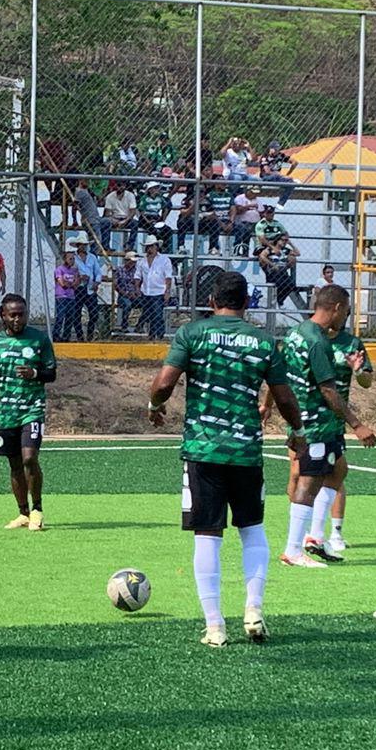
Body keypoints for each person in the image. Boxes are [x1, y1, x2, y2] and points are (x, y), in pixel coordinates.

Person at [148, 270, 304, 646]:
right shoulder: (264, 341)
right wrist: (297, 431)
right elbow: (283, 397)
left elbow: (165, 383)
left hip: (204, 450)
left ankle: (215, 625)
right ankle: (253, 608)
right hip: (246, 451)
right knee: (252, 530)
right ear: (246, 302)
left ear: (212, 301)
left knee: (207, 533)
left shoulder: (192, 333)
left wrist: (154, 405)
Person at [275, 285, 376, 569]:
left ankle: (314, 539)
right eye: (345, 310)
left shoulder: (296, 333)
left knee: (338, 469)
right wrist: (357, 425)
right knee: (306, 481)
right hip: (316, 421)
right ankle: (293, 550)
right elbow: (328, 391)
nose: (345, 315)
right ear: (335, 308)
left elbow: (278, 372)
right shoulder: (317, 342)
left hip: (317, 421)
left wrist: (267, 404)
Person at [0, 294, 56, 531]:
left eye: (21, 314)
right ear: (3, 315)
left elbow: (51, 374)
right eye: (12, 314)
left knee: (29, 458)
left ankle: (37, 509)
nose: (17, 319)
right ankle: (22, 512)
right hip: (7, 413)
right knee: (14, 465)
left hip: (32, 409)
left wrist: (34, 374)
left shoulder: (39, 339)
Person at [296, 320, 372, 555]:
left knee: (335, 472)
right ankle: (302, 537)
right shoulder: (305, 339)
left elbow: (366, 381)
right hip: (306, 418)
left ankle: (328, 534)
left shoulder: (351, 343)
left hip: (334, 420)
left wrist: (358, 369)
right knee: (299, 473)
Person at [136, 235, 173, 339]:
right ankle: (153, 335)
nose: (149, 249)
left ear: (156, 246)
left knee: (157, 314)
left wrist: (167, 291)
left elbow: (168, 277)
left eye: (151, 246)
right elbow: (137, 276)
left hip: (159, 291)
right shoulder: (141, 261)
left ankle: (159, 335)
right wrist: (137, 288)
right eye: (148, 246)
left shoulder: (164, 260)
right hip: (146, 291)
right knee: (150, 314)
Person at [71, 236, 105, 340]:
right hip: (78, 288)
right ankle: (80, 336)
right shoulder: (73, 258)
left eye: (85, 244)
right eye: (82, 244)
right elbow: (69, 272)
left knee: (94, 314)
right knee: (76, 314)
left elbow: (98, 272)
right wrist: (79, 277)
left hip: (90, 288)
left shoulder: (92, 257)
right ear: (78, 245)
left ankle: (90, 334)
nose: (84, 246)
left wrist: (97, 282)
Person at [259, 234, 302, 309]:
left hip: (283, 271)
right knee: (281, 282)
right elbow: (262, 256)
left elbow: (298, 253)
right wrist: (272, 264)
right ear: (277, 240)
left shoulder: (285, 250)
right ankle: (278, 299)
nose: (284, 242)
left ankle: (280, 300)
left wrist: (290, 243)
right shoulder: (271, 249)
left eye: (286, 240)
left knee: (291, 285)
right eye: (283, 240)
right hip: (273, 271)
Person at [52, 247, 80, 342]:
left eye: (73, 259)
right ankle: (56, 335)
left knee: (69, 317)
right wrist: (70, 283)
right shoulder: (59, 270)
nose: (72, 261)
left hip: (71, 297)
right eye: (70, 259)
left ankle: (66, 336)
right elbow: (62, 284)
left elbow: (76, 284)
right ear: (65, 259)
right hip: (61, 296)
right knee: (60, 317)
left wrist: (70, 283)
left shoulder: (74, 270)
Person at [258, 141, 298, 207]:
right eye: (275, 149)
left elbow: (295, 162)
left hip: (278, 177)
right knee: (275, 175)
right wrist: (282, 175)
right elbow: (267, 171)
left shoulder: (280, 155)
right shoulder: (265, 157)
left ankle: (281, 203)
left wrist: (288, 174)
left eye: (278, 149)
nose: (277, 151)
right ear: (270, 149)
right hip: (267, 177)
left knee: (291, 183)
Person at [136, 182, 172, 251]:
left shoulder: (160, 198)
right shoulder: (144, 198)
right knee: (154, 229)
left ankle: (164, 246)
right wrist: (148, 221)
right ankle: (156, 245)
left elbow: (166, 208)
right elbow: (141, 211)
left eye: (157, 188)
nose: (157, 189)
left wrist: (162, 219)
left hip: (155, 217)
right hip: (146, 217)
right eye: (155, 188)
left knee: (168, 230)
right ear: (150, 190)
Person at [113, 251, 143, 332]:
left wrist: (137, 292)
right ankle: (124, 326)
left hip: (135, 294)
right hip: (123, 295)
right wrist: (125, 293)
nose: (133, 263)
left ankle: (140, 325)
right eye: (131, 261)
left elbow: (140, 282)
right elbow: (115, 285)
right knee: (127, 304)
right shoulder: (119, 269)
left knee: (147, 304)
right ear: (126, 260)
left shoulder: (136, 270)